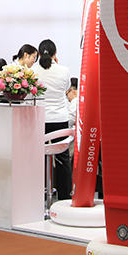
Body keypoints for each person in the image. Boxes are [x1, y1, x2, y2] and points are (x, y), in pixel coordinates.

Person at [36, 39, 72, 201]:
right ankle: (64, 197)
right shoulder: (64, 70)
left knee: (38, 157)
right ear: (55, 54)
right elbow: (66, 88)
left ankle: (39, 195)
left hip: (39, 119)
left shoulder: (32, 71)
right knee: (63, 158)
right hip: (60, 118)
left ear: (38, 53)